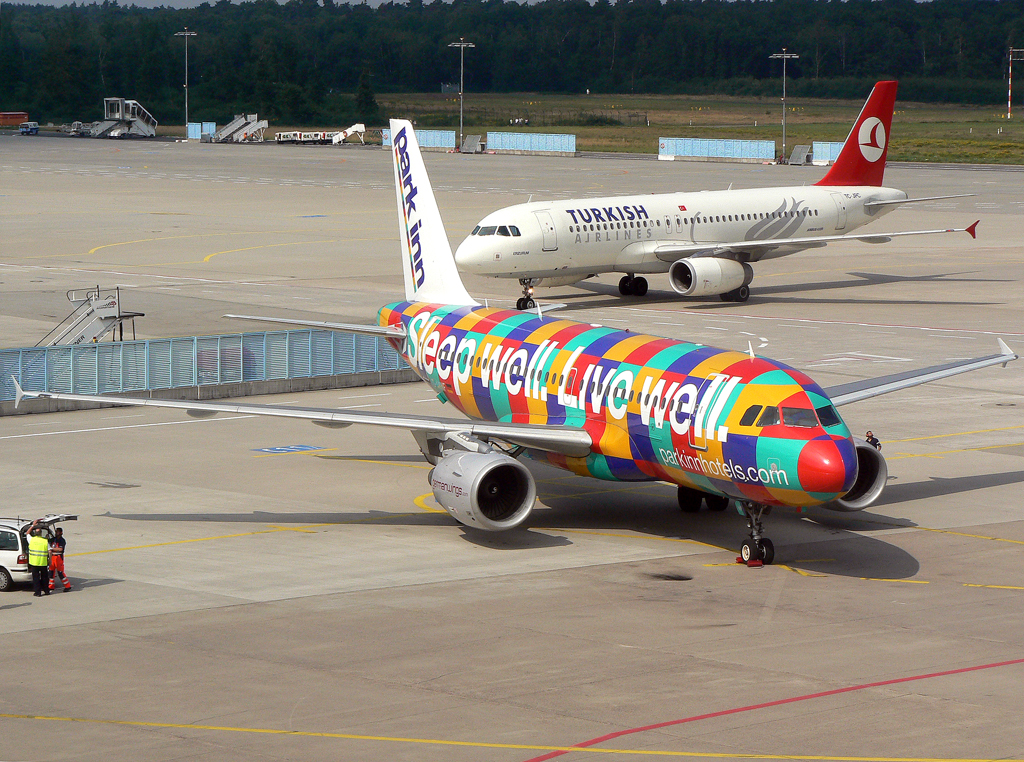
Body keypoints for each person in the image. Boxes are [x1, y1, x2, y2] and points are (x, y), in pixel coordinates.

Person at [26, 523, 50, 597]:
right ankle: (46, 591)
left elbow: (27, 533)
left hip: (34, 563)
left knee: (36, 578)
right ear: (41, 534)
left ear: (35, 534)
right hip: (43, 562)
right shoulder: (45, 541)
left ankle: (38, 592)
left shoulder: (31, 540)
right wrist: (50, 560)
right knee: (45, 578)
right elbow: (50, 551)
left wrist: (33, 525)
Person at [48, 527, 71, 592]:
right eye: (56, 531)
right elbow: (48, 543)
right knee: (51, 572)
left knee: (60, 573)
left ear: (61, 533)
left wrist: (51, 549)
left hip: (58, 557)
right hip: (52, 557)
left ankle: (67, 586)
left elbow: (60, 549)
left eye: (58, 532)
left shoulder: (62, 540)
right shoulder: (53, 539)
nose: (56, 533)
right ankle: (51, 586)